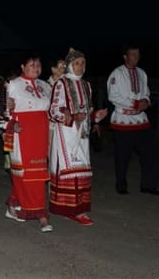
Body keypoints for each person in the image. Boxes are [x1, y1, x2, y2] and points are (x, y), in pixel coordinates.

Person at [49, 48, 107, 225]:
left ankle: (79, 209)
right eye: (77, 63)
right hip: (66, 133)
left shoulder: (86, 85)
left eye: (83, 63)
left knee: (82, 169)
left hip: (82, 134)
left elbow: (87, 110)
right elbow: (53, 111)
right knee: (70, 170)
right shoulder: (61, 84)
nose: (80, 67)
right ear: (70, 65)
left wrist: (96, 116)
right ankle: (68, 209)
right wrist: (73, 117)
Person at [3, 52, 53, 232]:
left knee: (36, 172)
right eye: (31, 65)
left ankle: (13, 204)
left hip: (41, 133)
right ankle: (42, 215)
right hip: (22, 133)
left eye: (38, 65)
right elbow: (3, 110)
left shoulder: (45, 85)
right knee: (28, 174)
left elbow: (51, 110)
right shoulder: (13, 85)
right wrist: (11, 123)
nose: (36, 68)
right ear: (23, 67)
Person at [107, 45, 159, 195]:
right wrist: (135, 103)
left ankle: (148, 185)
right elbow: (113, 96)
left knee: (151, 152)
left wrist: (145, 101)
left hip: (141, 120)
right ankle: (121, 185)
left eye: (138, 54)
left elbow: (147, 92)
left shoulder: (142, 73)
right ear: (125, 56)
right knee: (123, 155)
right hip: (123, 120)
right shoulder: (116, 73)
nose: (136, 57)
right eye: (133, 54)